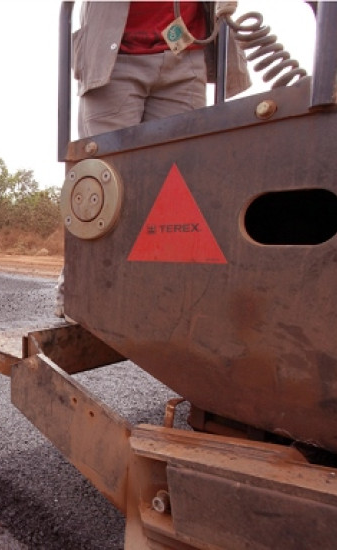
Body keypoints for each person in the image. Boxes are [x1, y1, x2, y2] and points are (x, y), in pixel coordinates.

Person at [55, 1, 251, 317]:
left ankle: (165, 297)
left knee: (179, 187)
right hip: (114, 54)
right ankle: (79, 291)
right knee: (104, 182)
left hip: (184, 51)